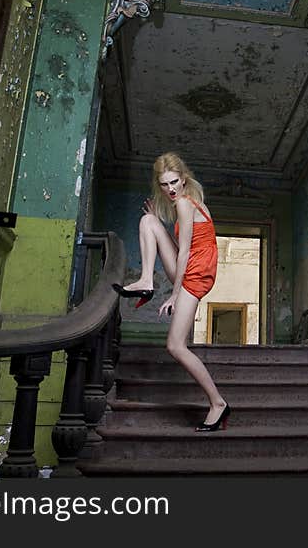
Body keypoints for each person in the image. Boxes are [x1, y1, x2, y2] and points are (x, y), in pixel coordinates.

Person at [112, 152, 230, 432]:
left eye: (174, 182)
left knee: (176, 345)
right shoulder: (185, 202)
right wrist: (156, 222)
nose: (171, 189)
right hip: (193, 265)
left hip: (196, 272)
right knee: (148, 222)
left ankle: (218, 403)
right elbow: (184, 248)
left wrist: (176, 294)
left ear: (184, 178)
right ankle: (145, 281)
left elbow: (187, 251)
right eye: (165, 185)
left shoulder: (186, 205)